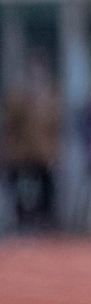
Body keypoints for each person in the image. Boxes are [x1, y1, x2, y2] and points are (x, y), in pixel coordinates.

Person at [3, 51, 61, 231]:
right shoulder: (19, 95)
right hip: (21, 153)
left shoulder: (51, 96)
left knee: (46, 191)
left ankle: (44, 223)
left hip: (43, 154)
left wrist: (54, 152)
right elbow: (11, 122)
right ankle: (22, 224)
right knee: (20, 191)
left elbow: (55, 127)